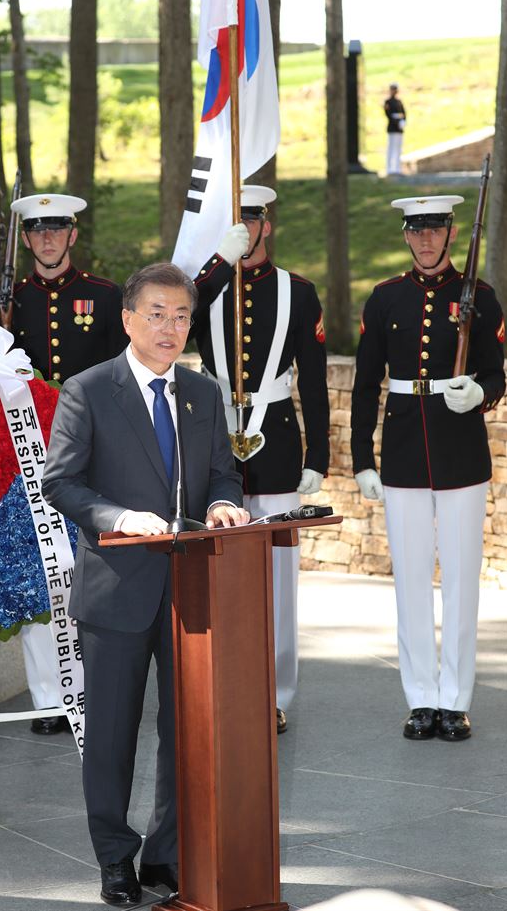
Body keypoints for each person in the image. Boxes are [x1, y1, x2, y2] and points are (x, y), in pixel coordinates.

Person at [41, 262, 247, 905]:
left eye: (181, 315)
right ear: (128, 320)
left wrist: (221, 504)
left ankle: (165, 856)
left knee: (185, 730)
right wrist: (120, 517)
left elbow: (223, 474)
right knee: (111, 734)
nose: (170, 327)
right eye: (156, 313)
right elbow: (61, 481)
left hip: (191, 588)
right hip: (118, 587)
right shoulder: (88, 390)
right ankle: (114, 861)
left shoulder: (203, 393)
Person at [351, 194, 506, 742]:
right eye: (416, 231)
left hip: (461, 451)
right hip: (402, 453)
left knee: (461, 579)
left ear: (450, 232)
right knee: (412, 579)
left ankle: (455, 701)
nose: (425, 241)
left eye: (435, 231)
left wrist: (479, 394)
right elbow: (366, 385)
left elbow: (496, 374)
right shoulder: (385, 299)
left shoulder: (480, 298)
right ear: (405, 235)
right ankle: (421, 699)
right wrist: (363, 461)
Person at [191, 185, 330, 734]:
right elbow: (176, 310)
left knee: (277, 576)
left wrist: (317, 454)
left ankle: (274, 692)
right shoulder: (204, 288)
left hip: (274, 439)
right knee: (214, 572)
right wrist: (218, 262)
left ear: (266, 225)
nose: (246, 230)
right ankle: (221, 684)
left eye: (253, 221)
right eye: (235, 222)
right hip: (213, 440)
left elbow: (315, 383)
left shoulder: (299, 291)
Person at [0, 193, 129, 735]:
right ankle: (49, 697)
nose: (47, 239)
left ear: (72, 235)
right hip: (25, 452)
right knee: (36, 570)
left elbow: (122, 377)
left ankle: (97, 685)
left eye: (56, 230)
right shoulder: (10, 300)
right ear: (26, 240)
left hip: (91, 451)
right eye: (37, 231)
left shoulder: (103, 295)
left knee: (92, 569)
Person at [384, 83, 406, 176]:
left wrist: (402, 122)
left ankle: (397, 168)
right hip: (392, 128)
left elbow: (403, 113)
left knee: (398, 148)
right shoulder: (388, 102)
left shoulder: (399, 102)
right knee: (391, 148)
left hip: (399, 129)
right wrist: (396, 121)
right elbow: (388, 114)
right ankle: (389, 168)